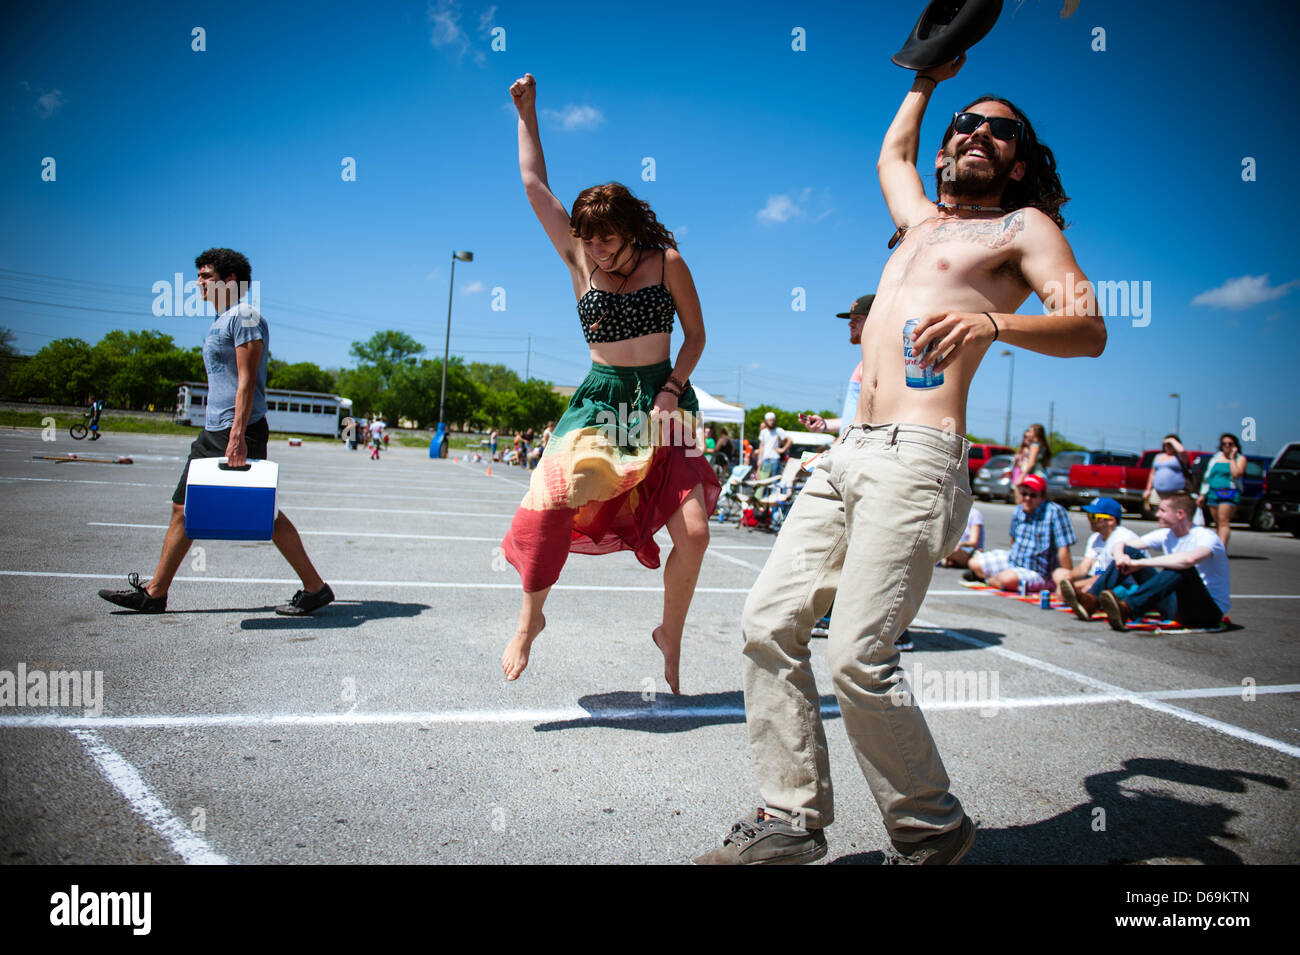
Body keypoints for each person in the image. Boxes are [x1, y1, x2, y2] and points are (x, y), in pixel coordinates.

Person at [696, 56, 1105, 865]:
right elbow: (890, 157)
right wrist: (925, 76)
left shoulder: (1022, 229)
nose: (977, 132)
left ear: (1018, 162)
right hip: (848, 455)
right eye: (966, 122)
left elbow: (1087, 327)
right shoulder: (919, 219)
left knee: (856, 654)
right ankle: (790, 816)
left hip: (918, 456)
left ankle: (931, 830)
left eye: (1000, 130)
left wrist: (993, 326)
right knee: (767, 625)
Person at [499, 74, 719, 695]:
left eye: (608, 240)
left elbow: (698, 336)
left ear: (632, 231)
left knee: (695, 535)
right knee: (547, 508)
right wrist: (528, 114)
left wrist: (674, 387)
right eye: (588, 240)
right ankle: (530, 617)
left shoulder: (666, 262)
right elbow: (534, 185)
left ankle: (670, 633)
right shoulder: (578, 259)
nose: (597, 251)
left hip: (663, 401)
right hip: (599, 400)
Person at [98, 248, 334, 616]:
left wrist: (238, 435)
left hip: (237, 430)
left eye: (206, 276)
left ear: (229, 281)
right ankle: (154, 593)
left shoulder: (245, 317)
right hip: (215, 430)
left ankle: (316, 587)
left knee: (261, 513)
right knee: (183, 508)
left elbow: (247, 379)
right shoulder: (223, 319)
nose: (198, 283)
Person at [1090, 492, 1229, 631]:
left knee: (1181, 567)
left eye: (1162, 511)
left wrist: (1139, 564)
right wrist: (1121, 556)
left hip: (1205, 612)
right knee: (1130, 552)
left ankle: (1127, 608)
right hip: (1175, 606)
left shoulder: (1207, 537)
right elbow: (1120, 545)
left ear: (1180, 514)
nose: (1157, 515)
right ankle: (1090, 600)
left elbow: (1189, 559)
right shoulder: (1166, 534)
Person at [966, 474, 1075, 593]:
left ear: (1043, 497)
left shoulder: (1055, 512)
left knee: (1007, 579)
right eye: (1024, 494)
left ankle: (991, 580)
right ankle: (997, 578)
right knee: (974, 563)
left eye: (1033, 495)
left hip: (1039, 571)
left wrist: (1067, 579)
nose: (1027, 498)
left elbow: (1063, 549)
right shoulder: (1019, 510)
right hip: (1014, 561)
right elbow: (1013, 540)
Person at [1055, 497, 1145, 619]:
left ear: (1111, 520)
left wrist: (1076, 586)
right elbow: (1083, 568)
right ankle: (1080, 596)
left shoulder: (1122, 538)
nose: (1090, 520)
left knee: (1109, 592)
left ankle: (1089, 600)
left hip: (1123, 582)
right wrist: (1067, 579)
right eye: (1089, 516)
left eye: (1094, 516)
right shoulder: (1095, 538)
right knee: (1059, 573)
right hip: (1098, 578)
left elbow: (1107, 577)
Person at [1198, 433, 1247, 549]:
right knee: (1217, 523)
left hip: (1229, 493)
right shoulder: (1215, 458)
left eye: (1230, 444)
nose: (1227, 446)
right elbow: (1208, 477)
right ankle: (1217, 546)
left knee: (1223, 520)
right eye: (1224, 444)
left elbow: (1236, 474)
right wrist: (1202, 494)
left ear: (1235, 445)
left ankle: (1222, 549)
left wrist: (1232, 458)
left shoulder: (1240, 459)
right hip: (1214, 492)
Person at [1143, 433, 1191, 515]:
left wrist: (1171, 440)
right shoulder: (1158, 456)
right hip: (1158, 493)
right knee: (1159, 513)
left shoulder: (1180, 457)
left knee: (1172, 513)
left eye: (1170, 445)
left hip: (1174, 493)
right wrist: (1148, 490)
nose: (1168, 446)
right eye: (1166, 445)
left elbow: (1181, 450)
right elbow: (1152, 474)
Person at [1009, 422, 1050, 494]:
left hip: (1035, 475)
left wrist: (1022, 476)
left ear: (1035, 433)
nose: (1029, 433)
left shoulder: (1035, 446)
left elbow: (1031, 463)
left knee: (1024, 496)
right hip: (1042, 474)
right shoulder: (1043, 446)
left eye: (1030, 431)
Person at [756, 412, 791, 478]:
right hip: (765, 459)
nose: (772, 422)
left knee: (774, 482)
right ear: (766, 421)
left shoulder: (778, 430)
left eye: (773, 420)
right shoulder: (763, 432)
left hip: (775, 459)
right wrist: (760, 459)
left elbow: (790, 440)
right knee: (763, 481)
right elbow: (762, 446)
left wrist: (782, 450)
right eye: (770, 420)